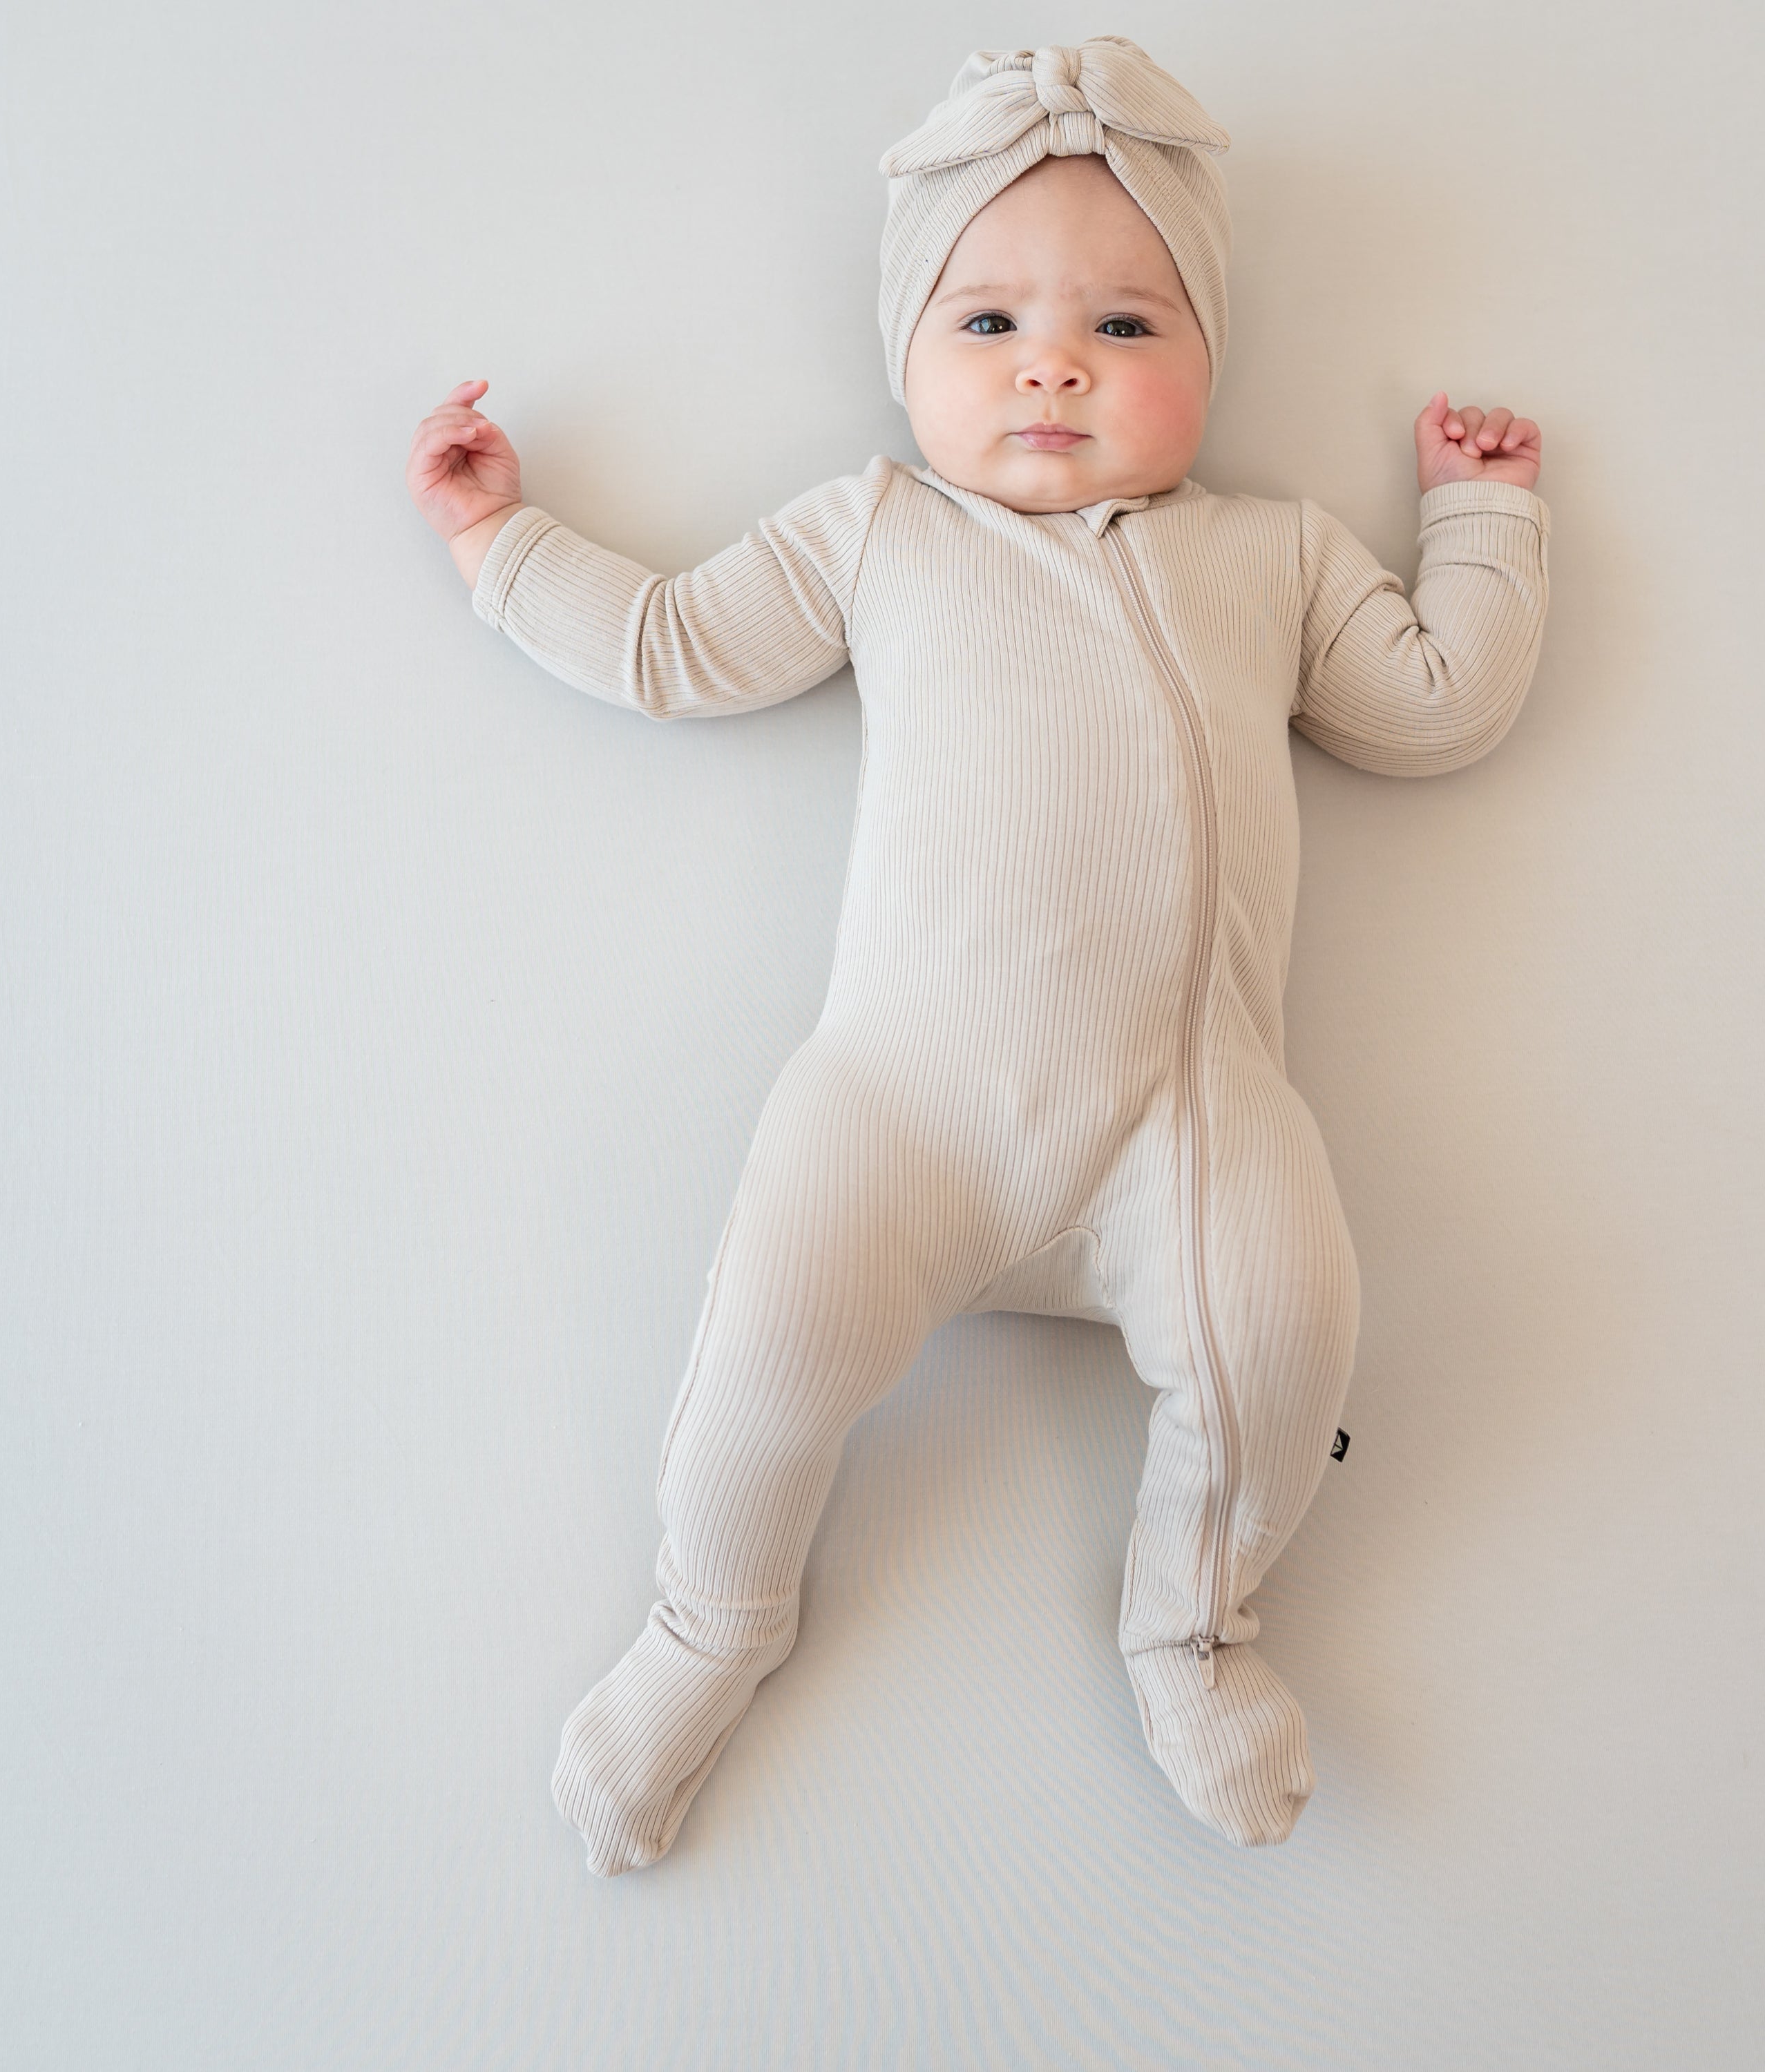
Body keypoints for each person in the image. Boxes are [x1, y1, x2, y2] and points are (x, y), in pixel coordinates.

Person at [405, 35, 1548, 1877]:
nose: (1056, 367)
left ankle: (1192, 1626)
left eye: (1127, 326)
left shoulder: (1274, 556)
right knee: (765, 1341)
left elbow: (1433, 711)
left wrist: (1483, 523)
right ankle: (713, 1623)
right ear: (907, 355)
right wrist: (497, 536)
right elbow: (678, 646)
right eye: (992, 323)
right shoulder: (880, 531)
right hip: (911, 1104)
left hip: (1192, 1114)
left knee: (1292, 1325)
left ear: (1210, 356)